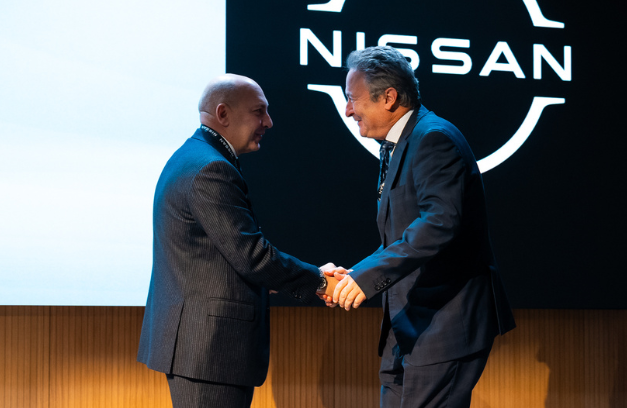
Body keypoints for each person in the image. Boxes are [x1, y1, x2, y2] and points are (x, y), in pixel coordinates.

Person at [330, 46, 516, 408]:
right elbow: (402, 234)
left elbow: (439, 222)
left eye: (352, 99)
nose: (348, 110)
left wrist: (368, 277)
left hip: (445, 325)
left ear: (388, 98)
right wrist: (356, 274)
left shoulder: (434, 138)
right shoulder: (397, 144)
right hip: (409, 326)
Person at [137, 74, 338, 408]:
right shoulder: (211, 169)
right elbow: (251, 256)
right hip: (209, 351)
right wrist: (319, 281)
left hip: (202, 349)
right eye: (259, 112)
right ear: (223, 114)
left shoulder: (193, 156)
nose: (268, 122)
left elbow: (215, 256)